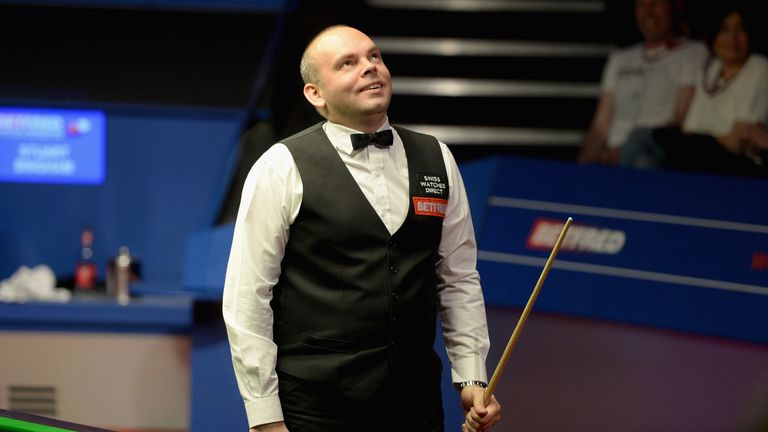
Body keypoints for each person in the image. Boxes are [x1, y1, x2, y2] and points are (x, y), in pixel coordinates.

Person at [222, 25, 502, 432]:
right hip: (315, 408)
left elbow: (458, 278)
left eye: (374, 57)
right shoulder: (280, 166)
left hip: (415, 405)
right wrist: (264, 416)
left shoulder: (436, 157)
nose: (370, 68)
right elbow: (247, 295)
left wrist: (473, 376)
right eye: (347, 63)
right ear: (315, 94)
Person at [621, 2, 768, 176]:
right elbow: (690, 128)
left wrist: (706, 137)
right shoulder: (710, 69)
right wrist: (712, 136)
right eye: (724, 30)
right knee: (641, 145)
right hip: (696, 153)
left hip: (733, 164)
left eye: (740, 30)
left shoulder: (758, 67)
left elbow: (737, 142)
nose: (732, 38)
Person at [578, 0, 707, 165]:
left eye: (657, 4)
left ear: (675, 7)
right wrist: (587, 158)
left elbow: (680, 118)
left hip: (655, 153)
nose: (649, 13)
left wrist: (626, 151)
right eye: (642, 5)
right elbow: (600, 125)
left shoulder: (693, 53)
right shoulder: (620, 59)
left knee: (642, 159)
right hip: (612, 158)